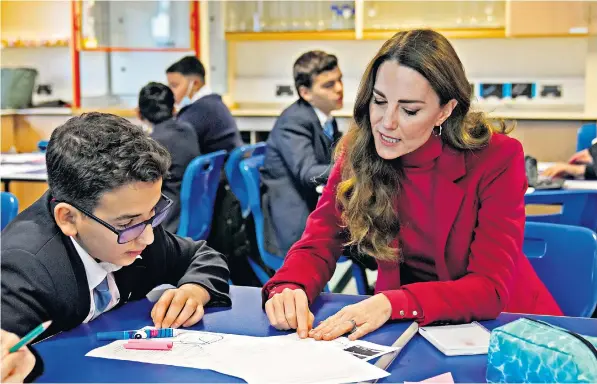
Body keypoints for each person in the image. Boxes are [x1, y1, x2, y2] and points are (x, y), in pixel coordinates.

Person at [262, 29, 562, 341]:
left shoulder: (496, 157)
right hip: (405, 328)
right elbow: (320, 238)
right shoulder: (360, 148)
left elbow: (488, 289)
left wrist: (393, 303)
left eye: (409, 110)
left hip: (505, 330)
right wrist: (290, 286)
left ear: (445, 110)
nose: (386, 122)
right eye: (379, 101)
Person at [1, 113, 231, 342]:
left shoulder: (136, 225)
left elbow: (201, 256)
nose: (148, 238)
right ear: (69, 218)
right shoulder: (23, 273)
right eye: (126, 224)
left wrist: (193, 291)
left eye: (153, 213)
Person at [261, 50, 344, 256]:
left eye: (339, 80)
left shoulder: (325, 117)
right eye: (329, 85)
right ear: (305, 92)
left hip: (313, 207)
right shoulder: (294, 120)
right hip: (294, 222)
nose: (340, 89)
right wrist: (353, 169)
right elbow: (307, 172)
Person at [138, 82, 200, 232]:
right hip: (191, 214)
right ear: (174, 108)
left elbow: (139, 187)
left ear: (139, 114)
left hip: (167, 221)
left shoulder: (155, 143)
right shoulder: (188, 130)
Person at [166, 56, 243, 153]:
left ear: (195, 84)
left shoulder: (197, 111)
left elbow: (173, 141)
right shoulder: (214, 102)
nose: (169, 91)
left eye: (174, 85)